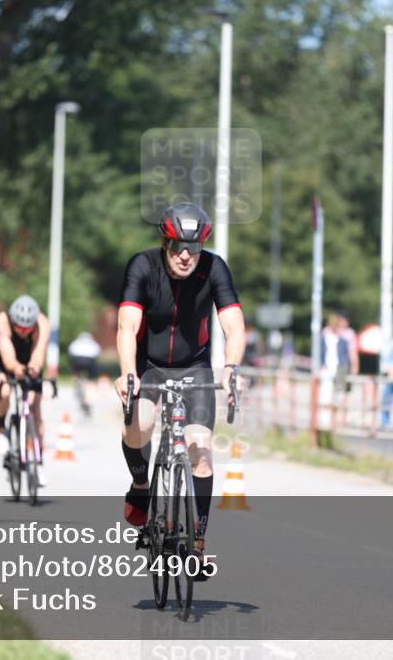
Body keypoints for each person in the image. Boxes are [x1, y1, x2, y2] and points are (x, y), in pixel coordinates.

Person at [115, 202, 244, 580]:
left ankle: (198, 545)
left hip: (195, 367)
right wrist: (127, 374)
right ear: (164, 242)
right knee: (138, 424)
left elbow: (234, 325)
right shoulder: (142, 266)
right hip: (148, 366)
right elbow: (127, 325)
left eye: (194, 247)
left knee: (201, 451)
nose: (186, 255)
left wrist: (232, 368)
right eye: (177, 247)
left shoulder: (214, 268)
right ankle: (141, 485)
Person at [0, 295, 51, 486]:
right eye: (19, 328)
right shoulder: (1, 321)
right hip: (3, 358)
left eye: (27, 329)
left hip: (28, 356)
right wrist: (15, 369)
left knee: (35, 406)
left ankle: (38, 463)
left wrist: (33, 367)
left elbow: (39, 353)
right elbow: (8, 359)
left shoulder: (42, 323)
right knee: (4, 390)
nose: (23, 332)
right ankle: (3, 430)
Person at [68, 331, 101, 416]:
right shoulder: (93, 343)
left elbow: (70, 351)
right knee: (91, 381)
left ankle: (76, 384)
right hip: (90, 360)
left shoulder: (76, 343)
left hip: (77, 359)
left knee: (75, 372)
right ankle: (88, 400)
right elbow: (97, 352)